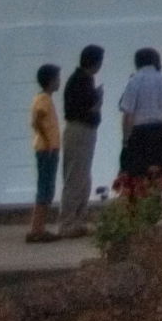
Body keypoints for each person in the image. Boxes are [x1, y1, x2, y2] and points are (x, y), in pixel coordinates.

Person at [116, 45, 162, 197]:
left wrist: (126, 139)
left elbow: (128, 114)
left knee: (139, 174)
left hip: (140, 132)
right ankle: (154, 209)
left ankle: (139, 210)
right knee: (157, 174)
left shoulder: (135, 81)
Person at [57, 44, 106, 224]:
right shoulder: (82, 81)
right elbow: (86, 109)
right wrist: (98, 99)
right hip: (80, 130)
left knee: (82, 175)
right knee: (76, 175)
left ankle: (77, 219)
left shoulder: (81, 79)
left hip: (81, 130)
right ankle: (68, 221)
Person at [26, 64, 64, 241]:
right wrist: (48, 142)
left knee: (46, 188)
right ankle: (37, 229)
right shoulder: (44, 100)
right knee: (45, 188)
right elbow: (37, 120)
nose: (59, 82)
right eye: (57, 78)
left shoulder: (44, 98)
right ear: (50, 81)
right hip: (47, 149)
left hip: (48, 147)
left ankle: (38, 227)